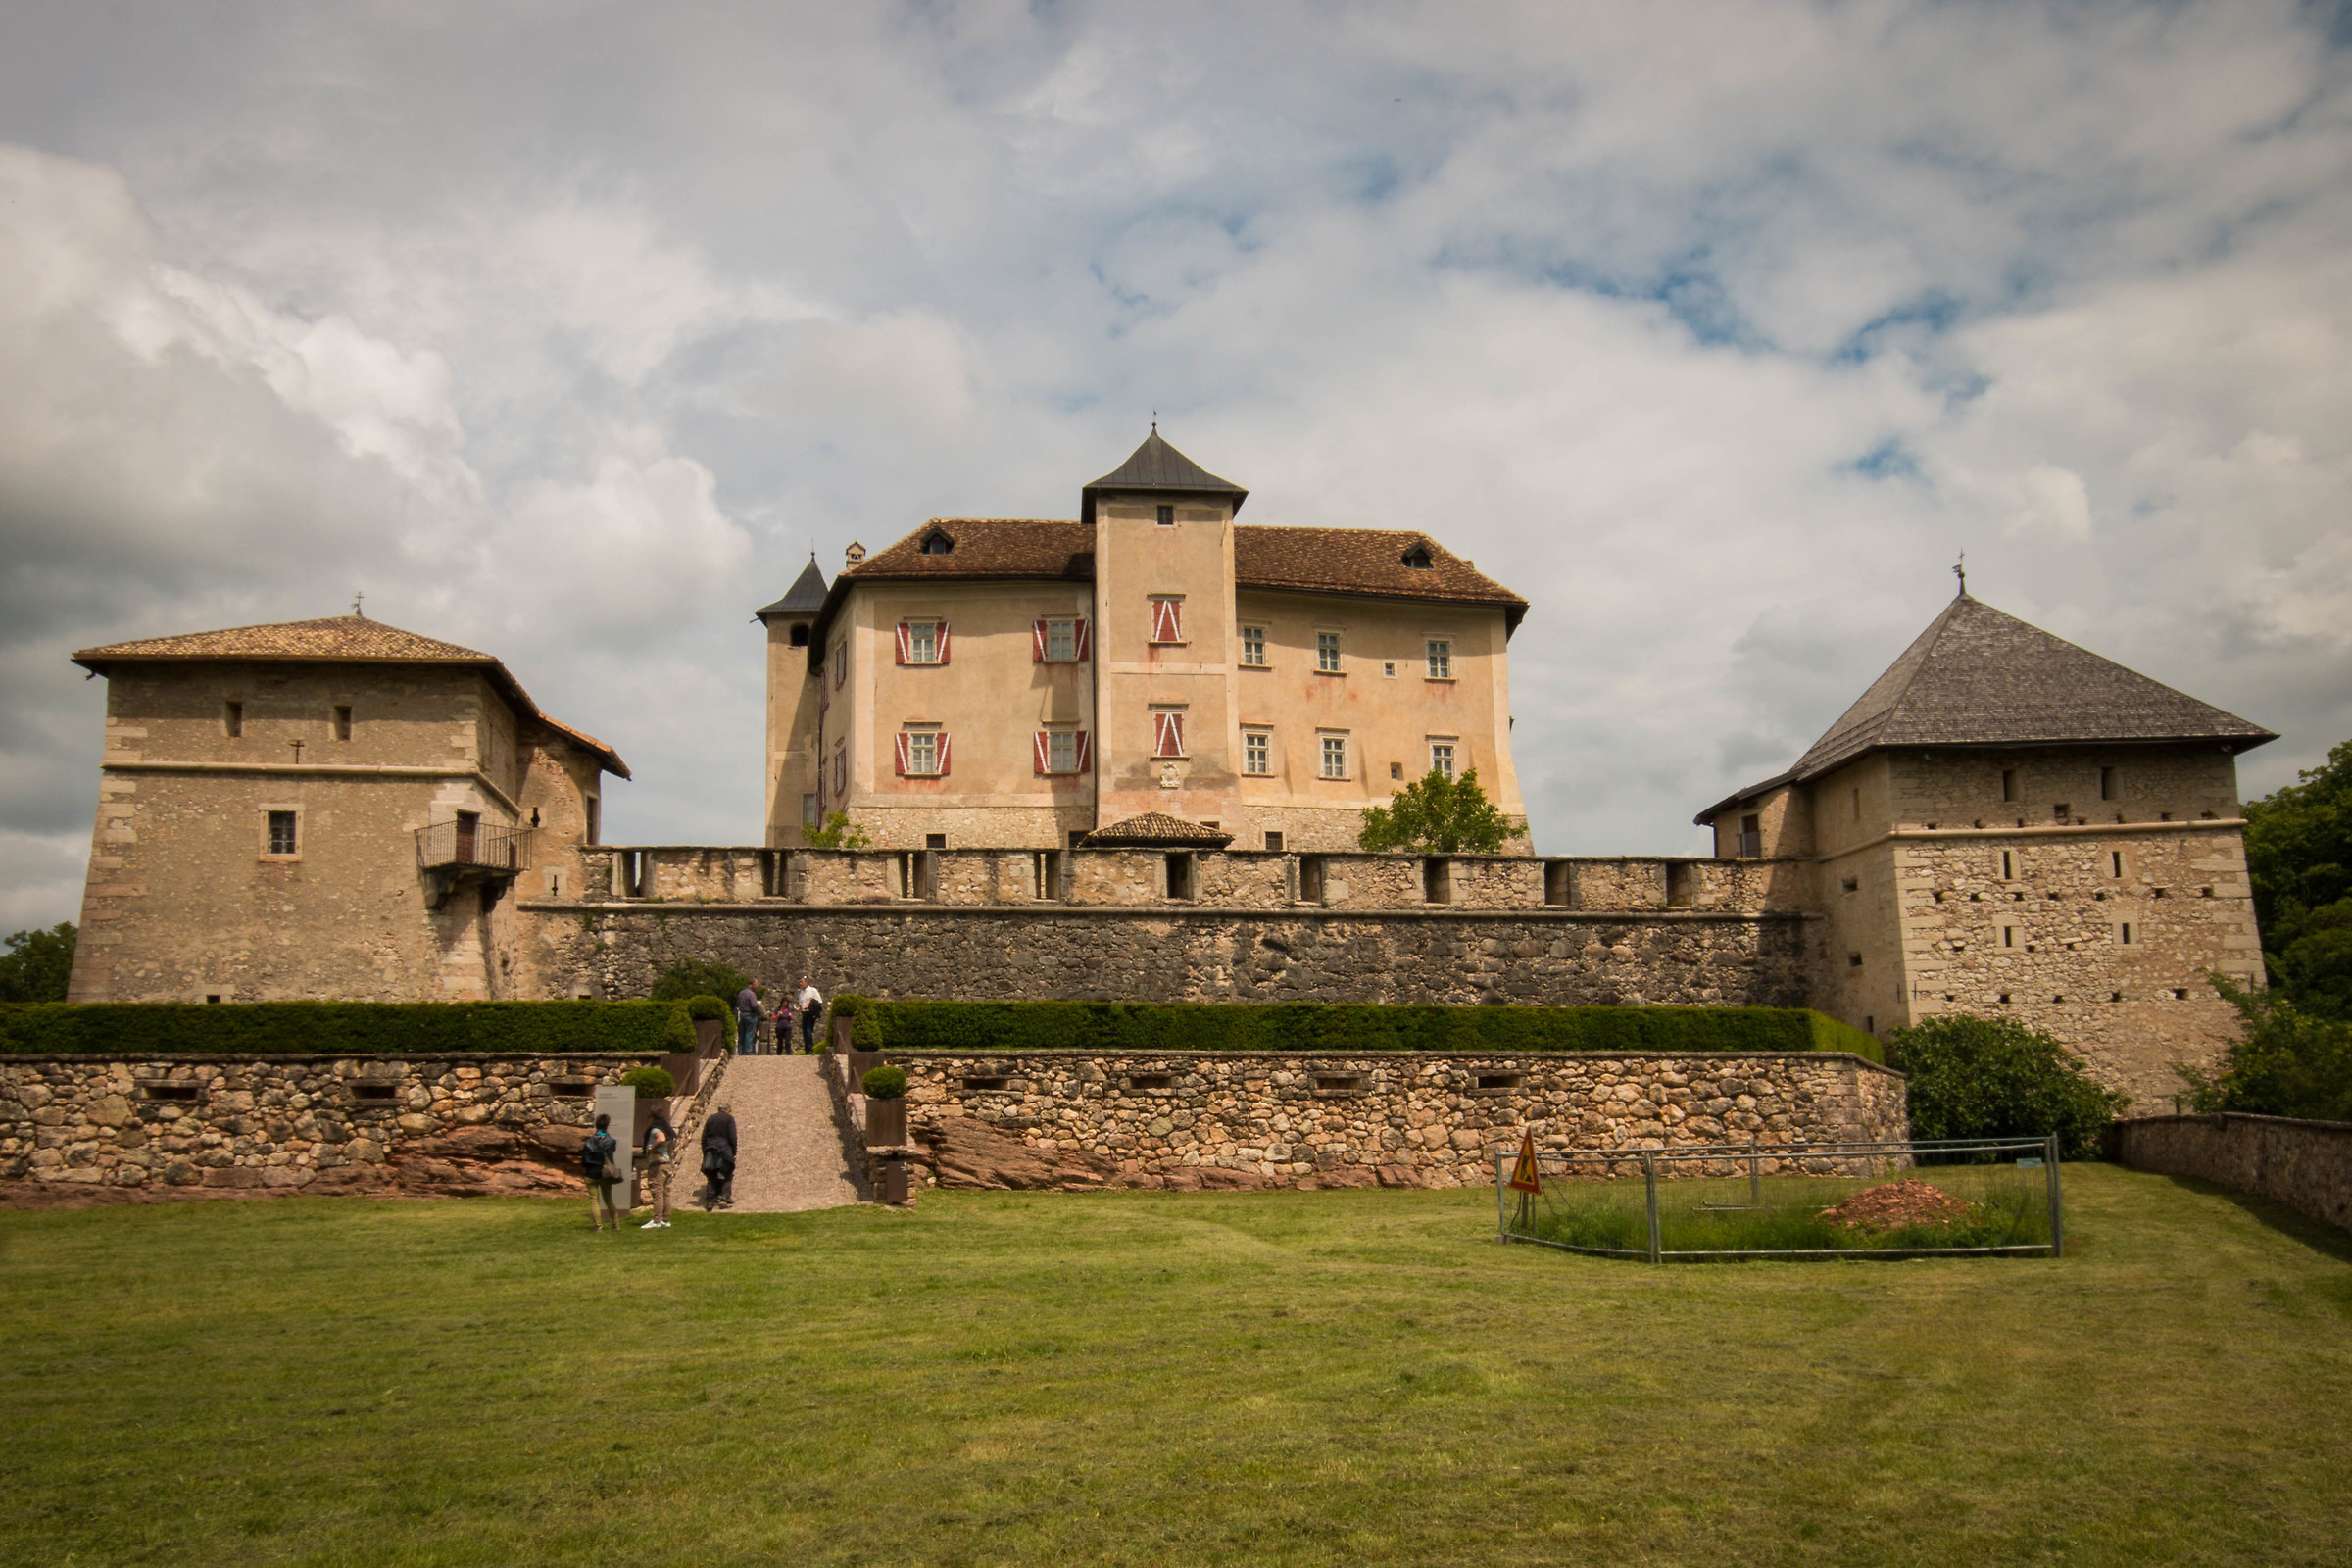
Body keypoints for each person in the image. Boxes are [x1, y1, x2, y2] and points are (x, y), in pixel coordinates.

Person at [582, 1112, 622, 1232]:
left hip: (592, 1172)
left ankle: (598, 1226)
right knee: (608, 1199)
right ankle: (616, 1224)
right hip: (606, 1173)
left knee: (594, 1200)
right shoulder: (612, 1141)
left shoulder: (589, 1142)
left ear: (596, 1125)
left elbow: (585, 1159)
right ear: (607, 1125)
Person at [639, 1111, 676, 1229]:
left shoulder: (656, 1129)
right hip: (667, 1163)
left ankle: (656, 1220)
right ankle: (666, 1219)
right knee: (666, 1192)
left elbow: (660, 1139)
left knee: (657, 1192)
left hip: (658, 1164)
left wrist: (651, 1148)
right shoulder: (668, 1130)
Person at [700, 1102, 738, 1210]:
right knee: (728, 1171)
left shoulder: (711, 1119)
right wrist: (734, 1152)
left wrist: (705, 1150)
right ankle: (725, 1194)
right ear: (727, 1110)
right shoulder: (729, 1119)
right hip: (724, 1148)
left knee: (711, 1174)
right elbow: (732, 1137)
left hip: (711, 1148)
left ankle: (710, 1201)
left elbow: (704, 1136)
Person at [794, 975, 824, 1054]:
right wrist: (798, 1008)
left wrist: (810, 1005)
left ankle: (810, 1049)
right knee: (804, 1031)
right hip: (804, 1013)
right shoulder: (801, 993)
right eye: (800, 982)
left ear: (806, 982)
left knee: (808, 1030)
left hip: (811, 1013)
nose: (800, 983)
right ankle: (807, 1049)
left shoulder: (812, 990)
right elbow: (801, 1004)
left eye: (802, 982)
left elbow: (819, 1001)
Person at [734, 981, 761, 1055]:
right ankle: (748, 1051)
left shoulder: (741, 993)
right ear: (751, 985)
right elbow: (754, 1005)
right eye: (756, 985)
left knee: (742, 1033)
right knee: (749, 1033)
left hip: (741, 1014)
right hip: (750, 1015)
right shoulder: (751, 994)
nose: (757, 986)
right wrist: (759, 1011)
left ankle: (740, 1051)